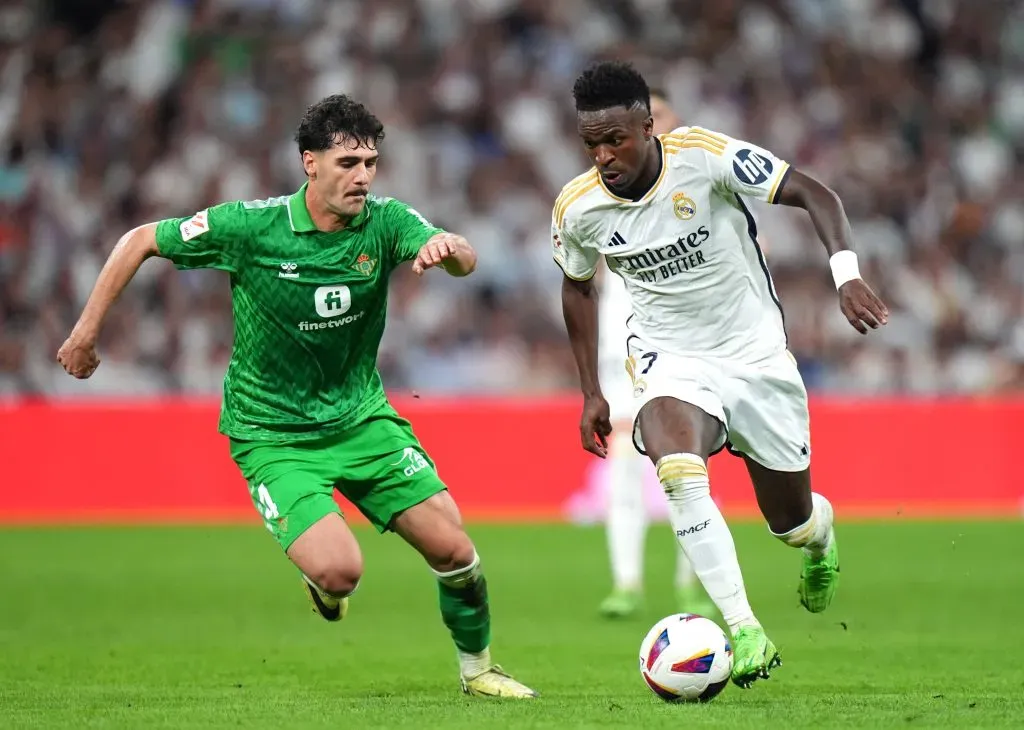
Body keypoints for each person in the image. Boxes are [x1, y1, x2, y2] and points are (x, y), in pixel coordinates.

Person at [57, 94, 537, 700]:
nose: (362, 176)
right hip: (273, 432)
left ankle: (479, 671)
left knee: (456, 547)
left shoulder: (386, 223)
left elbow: (461, 256)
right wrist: (84, 333)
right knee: (343, 570)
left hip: (361, 419)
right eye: (347, 163)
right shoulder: (252, 227)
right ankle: (326, 585)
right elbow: (141, 239)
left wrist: (451, 251)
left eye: (370, 163)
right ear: (309, 163)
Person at [553, 62, 888, 688]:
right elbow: (575, 288)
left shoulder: (705, 157)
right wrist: (592, 391)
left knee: (790, 525)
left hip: (754, 356)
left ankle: (820, 537)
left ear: (647, 127)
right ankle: (745, 629)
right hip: (667, 356)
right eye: (591, 143)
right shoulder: (578, 208)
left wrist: (846, 275)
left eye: (615, 140)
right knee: (678, 472)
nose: (603, 155)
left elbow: (816, 193)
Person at [597, 88, 713, 620]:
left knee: (689, 471)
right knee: (624, 470)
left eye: (662, 116)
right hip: (625, 358)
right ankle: (627, 583)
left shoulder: (699, 185)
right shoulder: (605, 193)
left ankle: (693, 581)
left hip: (689, 354)